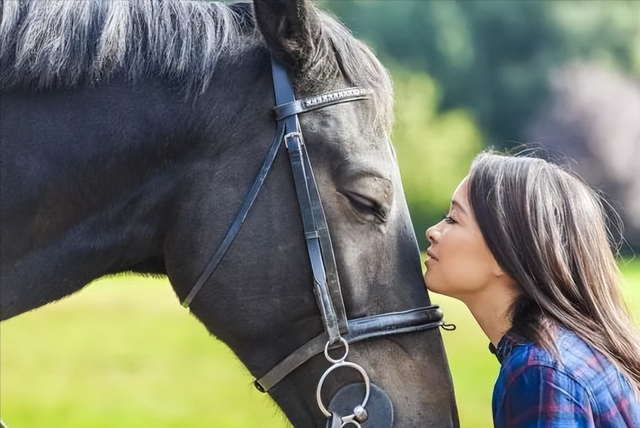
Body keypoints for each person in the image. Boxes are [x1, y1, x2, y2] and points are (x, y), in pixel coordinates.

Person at [424, 150, 640, 427]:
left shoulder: (540, 372)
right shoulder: (564, 353)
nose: (433, 230)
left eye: (453, 219)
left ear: (506, 252)